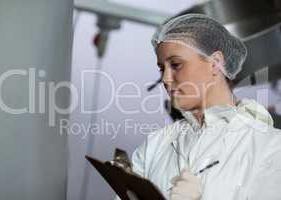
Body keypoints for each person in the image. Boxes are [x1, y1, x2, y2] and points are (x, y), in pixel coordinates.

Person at [116, 14, 281, 200]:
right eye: (162, 68)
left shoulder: (270, 146)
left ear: (215, 63)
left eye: (176, 65)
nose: (165, 79)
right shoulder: (156, 145)